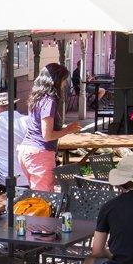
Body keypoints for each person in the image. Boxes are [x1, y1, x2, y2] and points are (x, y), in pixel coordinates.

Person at [15, 63, 82, 191]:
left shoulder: (37, 97)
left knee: (36, 196)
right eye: (63, 80)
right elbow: (47, 135)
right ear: (56, 81)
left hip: (26, 151)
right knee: (43, 199)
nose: (65, 84)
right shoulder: (49, 100)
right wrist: (68, 130)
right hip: (40, 153)